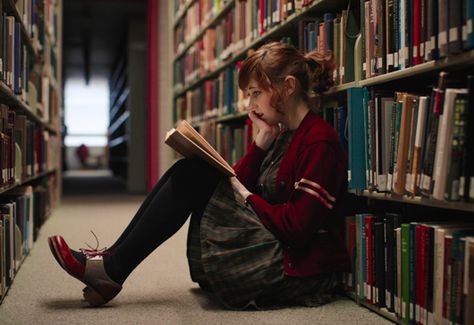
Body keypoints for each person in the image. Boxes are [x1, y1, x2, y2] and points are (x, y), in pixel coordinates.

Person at [48, 41, 350, 309]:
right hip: (276, 249)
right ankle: (110, 263)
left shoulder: (318, 141)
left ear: (287, 86)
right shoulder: (282, 135)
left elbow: (295, 228)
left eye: (256, 93)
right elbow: (240, 185)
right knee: (191, 169)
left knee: (194, 173)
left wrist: (248, 198)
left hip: (296, 267)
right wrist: (258, 148)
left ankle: (110, 268)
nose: (251, 105)